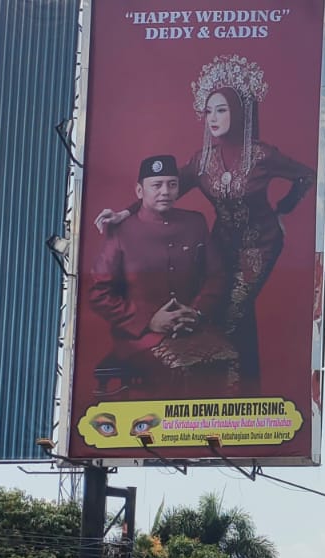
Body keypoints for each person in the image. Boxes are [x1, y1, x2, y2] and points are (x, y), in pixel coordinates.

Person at [94, 55, 315, 391]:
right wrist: (125, 213)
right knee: (215, 307)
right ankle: (240, 388)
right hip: (220, 243)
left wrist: (283, 209)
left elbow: (305, 176)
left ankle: (234, 395)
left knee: (230, 315)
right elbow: (164, 191)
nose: (213, 118)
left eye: (221, 110)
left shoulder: (262, 155)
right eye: (208, 111)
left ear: (238, 113)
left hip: (259, 247)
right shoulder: (203, 160)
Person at [85, 154, 231, 402]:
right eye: (157, 185)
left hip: (191, 327)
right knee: (178, 371)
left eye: (172, 184)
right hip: (140, 336)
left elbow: (216, 275)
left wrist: (196, 312)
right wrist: (148, 321)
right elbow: (98, 293)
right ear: (139, 191)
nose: (165, 191)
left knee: (231, 360)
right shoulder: (121, 231)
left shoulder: (195, 223)